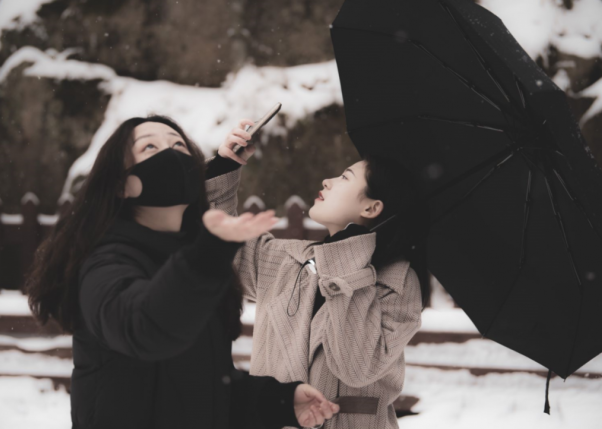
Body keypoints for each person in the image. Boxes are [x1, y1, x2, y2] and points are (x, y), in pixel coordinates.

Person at [25, 115, 339, 429]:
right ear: (122, 185)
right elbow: (145, 327)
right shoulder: (104, 262)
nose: (172, 154)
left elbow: (208, 388)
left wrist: (280, 401)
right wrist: (207, 253)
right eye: (150, 146)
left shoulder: (189, 260)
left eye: (179, 145)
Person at [207, 123, 431, 429]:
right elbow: (219, 242)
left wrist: (346, 261)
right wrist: (224, 167)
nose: (327, 181)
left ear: (372, 207)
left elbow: (357, 366)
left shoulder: (398, 281)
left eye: (344, 177)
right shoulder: (287, 259)